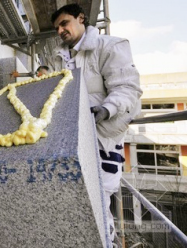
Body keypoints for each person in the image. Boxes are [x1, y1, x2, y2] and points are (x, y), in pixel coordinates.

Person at [50, 3, 142, 247]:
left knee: (99, 197)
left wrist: (107, 109)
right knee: (72, 194)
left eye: (64, 23)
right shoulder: (60, 56)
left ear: (82, 18)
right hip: (70, 136)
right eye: (57, 28)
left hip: (103, 135)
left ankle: (105, 241)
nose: (60, 31)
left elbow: (127, 88)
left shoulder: (110, 46)